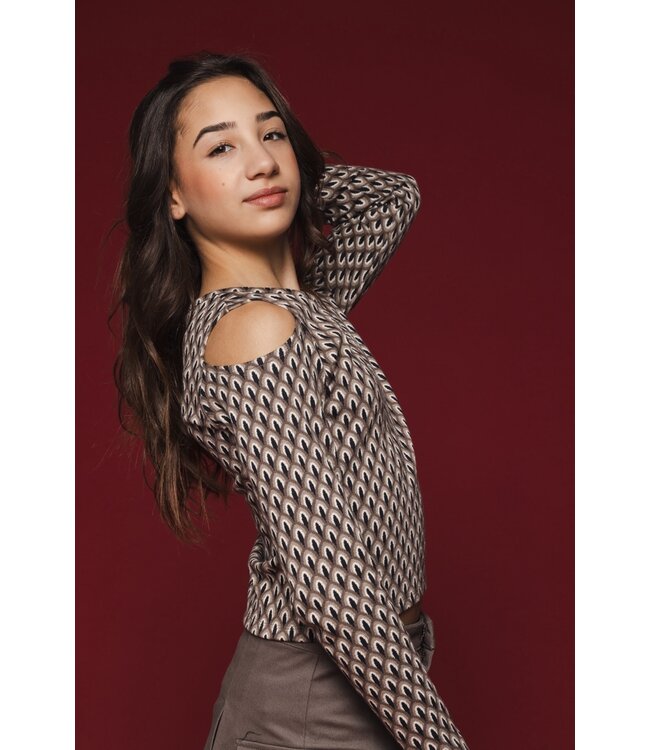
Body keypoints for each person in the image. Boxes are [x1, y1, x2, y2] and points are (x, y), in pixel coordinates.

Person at [111, 50, 470, 750]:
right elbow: (332, 588)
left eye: (271, 133)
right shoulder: (252, 331)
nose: (260, 162)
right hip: (313, 702)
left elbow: (392, 198)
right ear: (172, 194)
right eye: (220, 147)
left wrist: (287, 168)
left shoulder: (301, 308)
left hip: (369, 676)